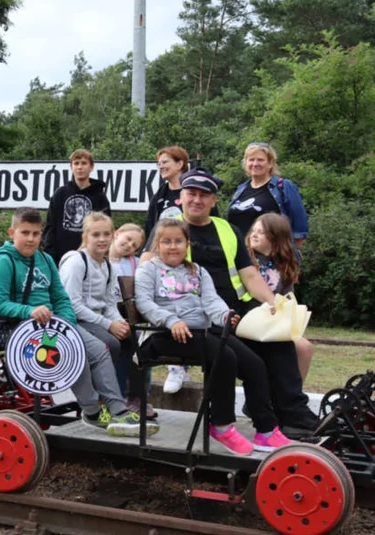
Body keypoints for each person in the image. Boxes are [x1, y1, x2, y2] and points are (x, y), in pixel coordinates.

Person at [173, 168, 318, 434]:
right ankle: (266, 420)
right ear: (180, 198)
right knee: (254, 362)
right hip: (201, 317)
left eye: (204, 195)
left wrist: (273, 302)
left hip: (239, 310)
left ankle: (294, 414)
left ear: (214, 201)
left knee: (281, 340)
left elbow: (250, 275)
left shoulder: (227, 229)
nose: (197, 200)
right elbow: (150, 266)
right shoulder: (170, 228)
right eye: (191, 193)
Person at [0, 207, 153, 437]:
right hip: (17, 326)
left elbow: (61, 298)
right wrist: (29, 310)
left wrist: (66, 324)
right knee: (78, 351)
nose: (31, 239)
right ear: (12, 232)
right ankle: (95, 411)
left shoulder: (45, 259)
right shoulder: (3, 262)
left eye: (36, 233)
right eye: (25, 233)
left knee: (98, 349)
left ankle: (115, 409)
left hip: (51, 324)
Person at [134, 218, 291, 453]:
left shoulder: (197, 271)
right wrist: (171, 320)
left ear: (188, 244)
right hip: (164, 335)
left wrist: (224, 315)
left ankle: (266, 430)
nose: (173, 246)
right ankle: (221, 425)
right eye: (166, 241)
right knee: (223, 356)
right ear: (157, 244)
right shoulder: (149, 269)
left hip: (199, 333)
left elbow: (211, 302)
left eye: (178, 241)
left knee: (254, 364)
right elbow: (144, 303)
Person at [57, 214, 150, 418]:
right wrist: (108, 325)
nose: (102, 239)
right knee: (111, 343)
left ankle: (126, 396)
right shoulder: (76, 262)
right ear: (85, 236)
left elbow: (108, 304)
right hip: (73, 320)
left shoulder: (108, 266)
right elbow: (71, 305)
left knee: (130, 340)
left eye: (106, 234)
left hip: (94, 319)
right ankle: (111, 401)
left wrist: (118, 322)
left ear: (112, 235)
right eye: (96, 234)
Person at [247, 213, 313, 381]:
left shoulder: (283, 265)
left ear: (276, 238)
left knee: (304, 348)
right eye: (253, 230)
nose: (254, 234)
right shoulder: (246, 260)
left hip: (275, 321)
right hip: (250, 319)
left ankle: (292, 397)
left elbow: (287, 300)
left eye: (261, 232)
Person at [227, 143, 309, 249]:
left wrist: (286, 258)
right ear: (245, 163)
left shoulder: (283, 187)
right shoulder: (241, 189)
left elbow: (300, 229)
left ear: (270, 163)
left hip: (271, 258)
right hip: (240, 257)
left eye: (260, 160)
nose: (255, 164)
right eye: (251, 160)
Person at [107, 222, 152, 413]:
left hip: (129, 317)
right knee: (123, 349)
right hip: (109, 316)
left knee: (142, 350)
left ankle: (138, 397)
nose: (130, 246)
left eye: (135, 246)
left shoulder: (135, 263)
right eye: (128, 240)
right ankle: (116, 397)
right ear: (117, 234)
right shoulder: (102, 260)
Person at [42, 149, 112, 265]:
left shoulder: (100, 197)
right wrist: (50, 254)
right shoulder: (60, 194)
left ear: (91, 167)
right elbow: (50, 227)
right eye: (76, 163)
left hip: (89, 259)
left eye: (84, 163)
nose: (80, 167)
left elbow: (105, 230)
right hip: (58, 258)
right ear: (71, 167)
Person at [144, 146, 191, 239]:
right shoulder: (158, 197)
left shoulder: (195, 193)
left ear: (180, 164)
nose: (161, 167)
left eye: (165, 162)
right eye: (159, 164)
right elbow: (149, 229)